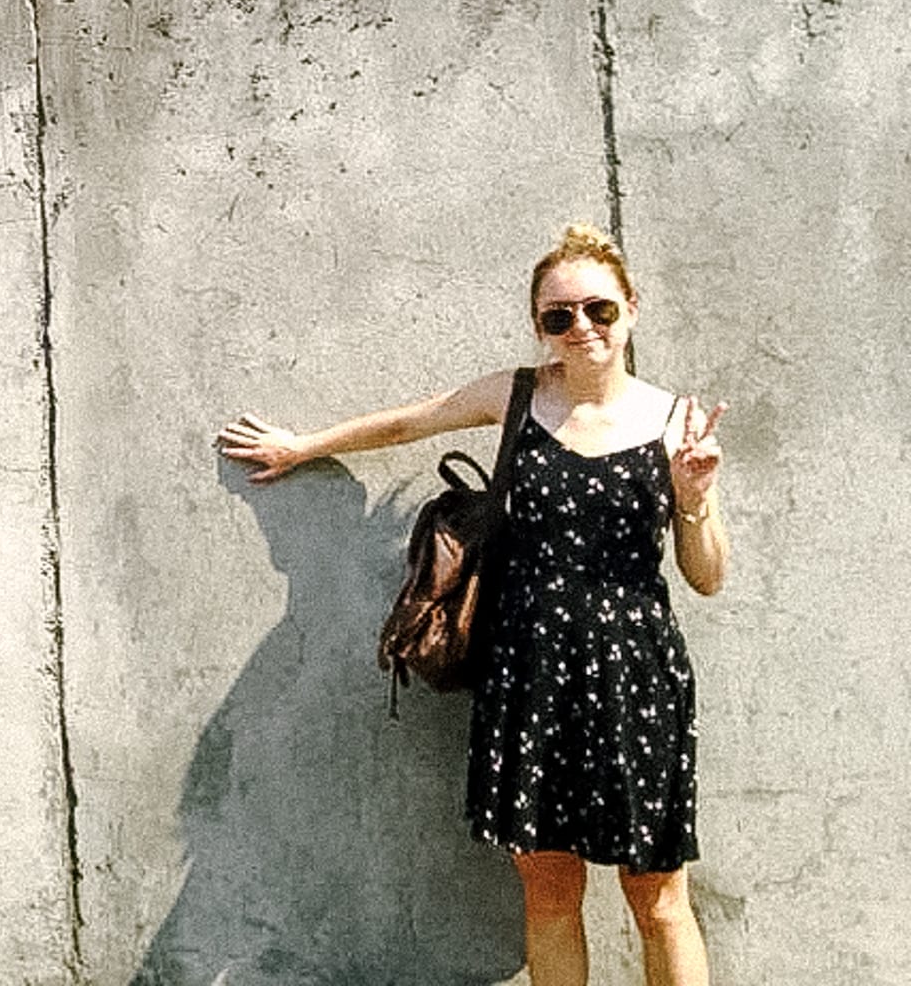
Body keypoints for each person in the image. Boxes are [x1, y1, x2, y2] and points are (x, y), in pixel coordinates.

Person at [215, 224, 728, 986]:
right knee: (550, 895)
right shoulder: (517, 395)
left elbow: (707, 576)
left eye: (599, 309)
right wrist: (304, 447)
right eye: (559, 316)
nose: (581, 328)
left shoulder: (676, 421)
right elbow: (409, 422)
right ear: (539, 325)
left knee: (657, 900)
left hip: (636, 683)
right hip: (529, 676)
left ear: (631, 309)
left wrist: (693, 496)